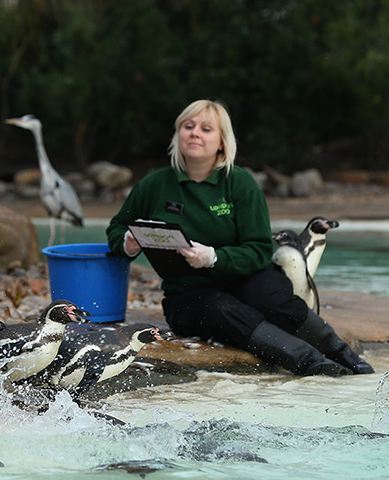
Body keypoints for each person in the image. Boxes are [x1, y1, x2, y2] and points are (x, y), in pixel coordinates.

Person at [106, 99, 373, 376]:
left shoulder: (240, 184)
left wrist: (214, 258)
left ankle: (347, 358)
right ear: (178, 135)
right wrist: (127, 242)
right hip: (187, 295)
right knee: (222, 308)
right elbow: (116, 228)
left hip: (246, 277)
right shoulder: (154, 185)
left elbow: (259, 251)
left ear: (222, 142)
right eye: (188, 126)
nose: (195, 133)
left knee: (273, 299)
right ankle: (319, 368)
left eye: (206, 129)